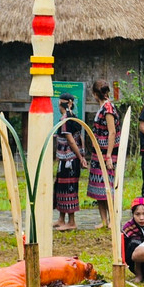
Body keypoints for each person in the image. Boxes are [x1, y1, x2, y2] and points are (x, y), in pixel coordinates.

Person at [87, 79, 118, 229]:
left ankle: (112, 219)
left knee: (109, 187)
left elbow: (112, 132)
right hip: (97, 153)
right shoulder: (102, 108)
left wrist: (108, 156)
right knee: (98, 188)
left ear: (94, 94)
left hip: (107, 153)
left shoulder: (108, 109)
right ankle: (104, 220)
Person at [53, 93, 86, 231]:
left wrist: (80, 156)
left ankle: (71, 221)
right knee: (60, 187)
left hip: (70, 160)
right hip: (64, 159)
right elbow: (81, 138)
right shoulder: (69, 117)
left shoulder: (68, 118)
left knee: (69, 189)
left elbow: (72, 140)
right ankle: (61, 219)